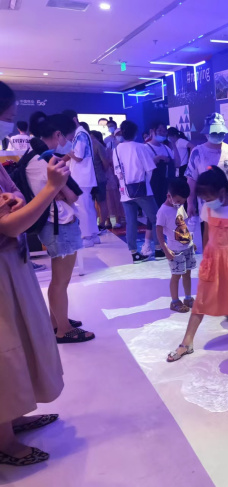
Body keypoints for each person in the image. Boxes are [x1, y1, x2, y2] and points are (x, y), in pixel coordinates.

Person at [0, 80, 66, 466]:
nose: (11, 126)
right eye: (8, 118)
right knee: (6, 348)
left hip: (12, 265)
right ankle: (4, 441)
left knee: (19, 341)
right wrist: (52, 188)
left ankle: (12, 416)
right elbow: (9, 225)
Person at [167, 166, 228, 361]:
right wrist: (205, 256)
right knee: (202, 299)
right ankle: (187, 342)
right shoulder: (207, 208)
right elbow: (206, 233)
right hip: (213, 259)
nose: (206, 201)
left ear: (221, 191)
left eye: (208, 197)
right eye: (203, 198)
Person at [25, 114, 95, 344]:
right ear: (57, 135)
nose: (67, 142)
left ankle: (57, 321)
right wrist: (64, 193)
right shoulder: (47, 161)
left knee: (59, 280)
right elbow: (72, 195)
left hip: (53, 222)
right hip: (59, 223)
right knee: (61, 281)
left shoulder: (33, 157)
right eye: (66, 137)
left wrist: (63, 193)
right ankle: (64, 329)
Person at [113, 120, 164, 263]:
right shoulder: (140, 147)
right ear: (135, 133)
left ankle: (134, 253)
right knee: (156, 219)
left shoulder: (116, 149)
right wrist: (146, 182)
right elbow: (150, 169)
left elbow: (117, 171)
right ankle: (159, 249)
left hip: (125, 190)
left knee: (131, 222)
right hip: (142, 189)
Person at [186, 113, 228, 221]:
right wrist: (190, 203)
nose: (217, 134)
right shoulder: (197, 152)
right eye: (214, 132)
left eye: (220, 132)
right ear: (206, 133)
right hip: (208, 207)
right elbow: (191, 180)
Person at [156, 178, 196, 313]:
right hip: (175, 250)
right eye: (178, 200)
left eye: (183, 201)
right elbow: (159, 231)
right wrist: (165, 249)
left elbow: (183, 225)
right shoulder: (163, 211)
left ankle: (188, 298)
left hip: (187, 247)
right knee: (176, 275)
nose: (180, 203)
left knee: (187, 274)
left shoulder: (179, 207)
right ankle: (174, 301)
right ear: (169, 196)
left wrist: (191, 241)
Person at [62, 109, 100, 248]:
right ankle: (93, 235)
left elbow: (78, 157)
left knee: (83, 207)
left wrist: (66, 148)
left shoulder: (80, 135)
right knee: (87, 206)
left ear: (74, 119)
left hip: (81, 176)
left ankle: (87, 236)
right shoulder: (81, 133)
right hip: (84, 176)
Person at [146, 121, 180, 208]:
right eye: (159, 130)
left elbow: (177, 164)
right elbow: (144, 167)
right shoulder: (145, 148)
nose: (162, 133)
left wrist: (174, 145)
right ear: (152, 131)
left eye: (164, 131)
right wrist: (157, 159)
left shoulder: (166, 148)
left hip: (168, 186)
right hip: (154, 187)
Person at [102, 122, 126, 229]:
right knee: (114, 196)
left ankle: (123, 216)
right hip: (113, 173)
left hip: (125, 173)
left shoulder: (126, 144)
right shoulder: (108, 142)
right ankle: (113, 218)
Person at [89, 130, 111, 231]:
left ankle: (100, 224)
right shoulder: (96, 145)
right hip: (96, 177)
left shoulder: (96, 145)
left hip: (96, 178)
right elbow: (105, 163)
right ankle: (99, 224)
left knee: (99, 202)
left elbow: (105, 163)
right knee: (99, 202)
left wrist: (102, 172)